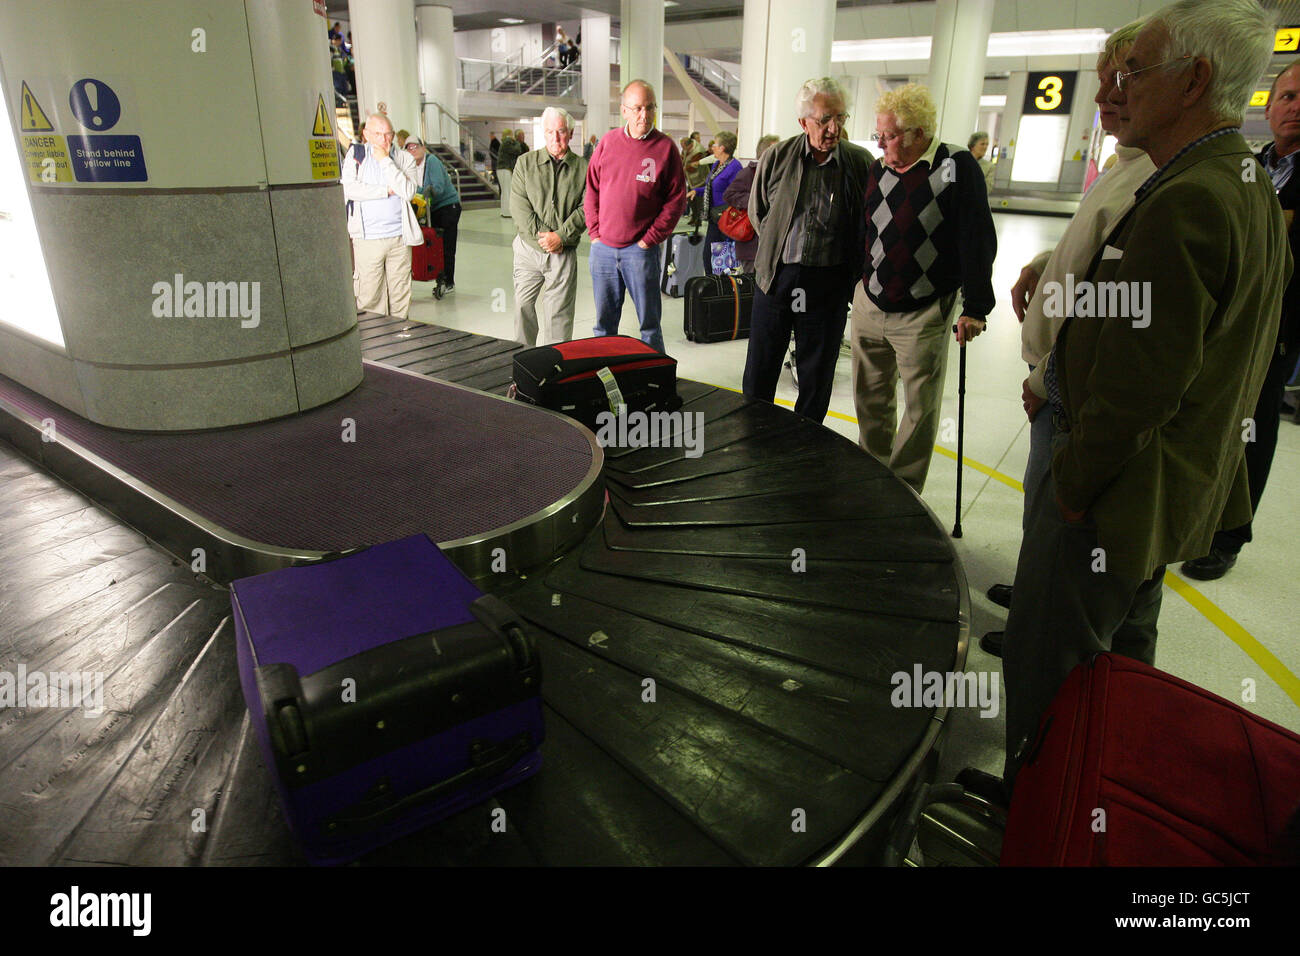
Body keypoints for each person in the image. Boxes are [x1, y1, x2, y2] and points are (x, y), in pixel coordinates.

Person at [999, 0, 1289, 795]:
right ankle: (1101, 795)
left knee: (1051, 660)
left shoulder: (1190, 199)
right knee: (1122, 652)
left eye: (1136, 70)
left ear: (1194, 80)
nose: (1120, 86)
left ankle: (1034, 805)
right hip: (1166, 489)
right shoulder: (1239, 180)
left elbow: (1138, 387)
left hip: (1117, 489)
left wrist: (1075, 487)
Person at [980, 20, 1156, 655]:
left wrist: (1042, 376)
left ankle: (1040, 631)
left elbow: (1116, 319)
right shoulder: (1125, 164)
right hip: (1058, 379)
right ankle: (1034, 597)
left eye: (1125, 80)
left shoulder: (1157, 181)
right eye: (1105, 80)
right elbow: (1096, 254)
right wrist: (1047, 260)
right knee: (1039, 509)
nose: (1108, 95)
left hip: (1070, 388)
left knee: (1061, 524)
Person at [1178, 56, 1300, 581]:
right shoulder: (1250, 165)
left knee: (1253, 427)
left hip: (1276, 326)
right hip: (1221, 319)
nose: (1295, 107)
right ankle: (1191, 514)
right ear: (1268, 107)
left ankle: (1229, 534)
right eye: (1288, 96)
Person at [850, 83, 996, 492]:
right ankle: (871, 478)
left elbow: (976, 237)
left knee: (919, 408)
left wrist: (977, 306)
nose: (880, 143)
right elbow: (866, 231)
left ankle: (904, 492)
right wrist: (857, 286)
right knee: (870, 399)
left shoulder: (955, 165)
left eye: (889, 135)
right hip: (871, 302)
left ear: (918, 132)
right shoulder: (877, 169)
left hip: (923, 309)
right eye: (878, 134)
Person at [742, 77, 871, 423]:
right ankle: (754, 435)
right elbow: (759, 212)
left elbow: (865, 223)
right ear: (803, 122)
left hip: (828, 281)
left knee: (816, 372)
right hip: (778, 276)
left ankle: (806, 442)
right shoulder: (778, 156)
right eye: (824, 119)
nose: (834, 128)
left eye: (840, 118)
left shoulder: (859, 163)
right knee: (762, 366)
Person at [584, 79, 687, 353]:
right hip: (603, 250)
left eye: (650, 107)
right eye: (638, 108)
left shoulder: (666, 149)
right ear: (624, 111)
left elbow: (675, 201)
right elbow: (591, 189)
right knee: (604, 325)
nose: (644, 115)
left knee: (649, 325)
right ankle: (605, 373)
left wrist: (649, 240)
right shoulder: (607, 143)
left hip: (640, 252)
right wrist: (594, 233)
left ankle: (655, 378)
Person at [511, 107, 587, 346]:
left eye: (561, 132)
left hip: (563, 253)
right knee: (522, 306)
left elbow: (588, 207)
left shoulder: (584, 168)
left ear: (571, 133)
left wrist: (561, 237)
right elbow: (519, 208)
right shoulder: (525, 163)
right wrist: (545, 239)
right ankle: (525, 361)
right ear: (543, 133)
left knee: (558, 317)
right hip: (528, 250)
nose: (556, 138)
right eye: (550, 132)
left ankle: (556, 368)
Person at [341, 113, 422, 318]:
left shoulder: (403, 158)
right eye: (378, 134)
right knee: (369, 297)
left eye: (388, 134)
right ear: (366, 134)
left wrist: (386, 161)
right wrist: (385, 191)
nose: (384, 140)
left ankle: (402, 338)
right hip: (368, 239)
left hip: (400, 238)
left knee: (400, 295)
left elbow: (408, 191)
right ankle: (375, 343)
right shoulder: (356, 155)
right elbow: (350, 189)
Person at [404, 139, 461, 297]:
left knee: (446, 247)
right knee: (435, 246)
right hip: (430, 210)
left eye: (416, 147)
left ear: (423, 148)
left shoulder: (432, 161)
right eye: (409, 148)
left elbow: (438, 188)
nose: (412, 150)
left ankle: (448, 281)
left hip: (448, 207)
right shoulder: (410, 167)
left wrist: (417, 191)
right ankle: (438, 276)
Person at [722, 134, 779, 273]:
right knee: (752, 288)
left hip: (770, 246)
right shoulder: (749, 173)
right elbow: (729, 195)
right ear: (766, 152)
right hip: (751, 246)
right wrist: (756, 200)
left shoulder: (779, 174)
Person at [701, 131, 742, 274]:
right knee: (708, 256)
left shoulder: (735, 167)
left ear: (723, 147)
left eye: (715, 144)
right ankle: (712, 287)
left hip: (726, 220)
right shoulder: (717, 164)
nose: (712, 147)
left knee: (725, 259)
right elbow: (711, 186)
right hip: (715, 218)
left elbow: (737, 194)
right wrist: (696, 191)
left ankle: (724, 290)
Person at [682, 132, 709, 227]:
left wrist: (685, 168)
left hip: (700, 179)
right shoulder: (687, 148)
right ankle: (693, 217)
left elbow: (694, 166)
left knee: (698, 201)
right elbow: (683, 159)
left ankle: (698, 220)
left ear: (690, 145)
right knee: (691, 201)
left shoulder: (699, 151)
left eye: (685, 148)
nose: (684, 150)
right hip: (691, 180)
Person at [496, 129, 521, 218]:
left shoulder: (503, 142)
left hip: (500, 169)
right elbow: (517, 150)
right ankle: (508, 212)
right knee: (508, 190)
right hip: (505, 169)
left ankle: (504, 211)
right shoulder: (508, 141)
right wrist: (517, 142)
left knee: (504, 191)